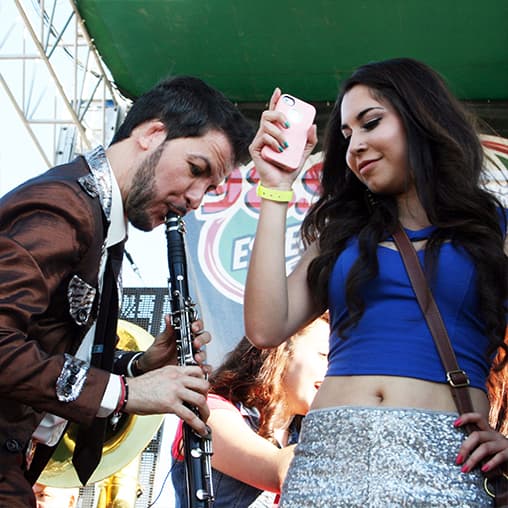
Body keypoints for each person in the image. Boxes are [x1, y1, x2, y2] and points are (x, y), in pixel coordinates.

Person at [245, 57, 508, 506]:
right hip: (327, 459)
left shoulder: (493, 230)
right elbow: (266, 327)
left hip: (443, 461)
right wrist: (276, 188)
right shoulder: (341, 234)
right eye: (347, 136)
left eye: (370, 123)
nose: (356, 146)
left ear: (421, 118)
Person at [0, 75, 254, 507]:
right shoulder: (62, 209)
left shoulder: (100, 221)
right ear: (151, 133)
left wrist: (140, 366)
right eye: (196, 170)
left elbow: (45, 344)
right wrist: (127, 394)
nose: (195, 198)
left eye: (210, 188)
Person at [171, 314, 329, 507]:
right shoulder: (210, 413)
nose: (334, 372)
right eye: (325, 356)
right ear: (280, 349)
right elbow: (281, 470)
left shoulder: (301, 435)